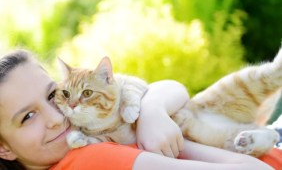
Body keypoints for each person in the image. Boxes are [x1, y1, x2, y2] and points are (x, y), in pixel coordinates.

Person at [0, 49, 274, 170]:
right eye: (27, 116)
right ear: (3, 148)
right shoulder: (86, 160)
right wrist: (154, 125)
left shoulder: (83, 138)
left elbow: (170, 88)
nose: (56, 118)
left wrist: (152, 109)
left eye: (52, 95)